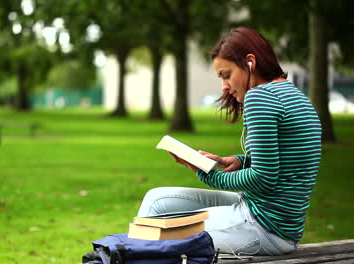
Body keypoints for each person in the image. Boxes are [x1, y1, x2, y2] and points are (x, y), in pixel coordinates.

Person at [137, 27, 322, 256]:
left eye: (226, 75)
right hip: (269, 219)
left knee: (153, 232)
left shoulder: (260, 97)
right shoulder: (294, 95)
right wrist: (237, 160)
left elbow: (263, 178)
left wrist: (208, 174)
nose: (224, 86)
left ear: (250, 62)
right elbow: (285, 163)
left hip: (263, 227)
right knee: (157, 200)